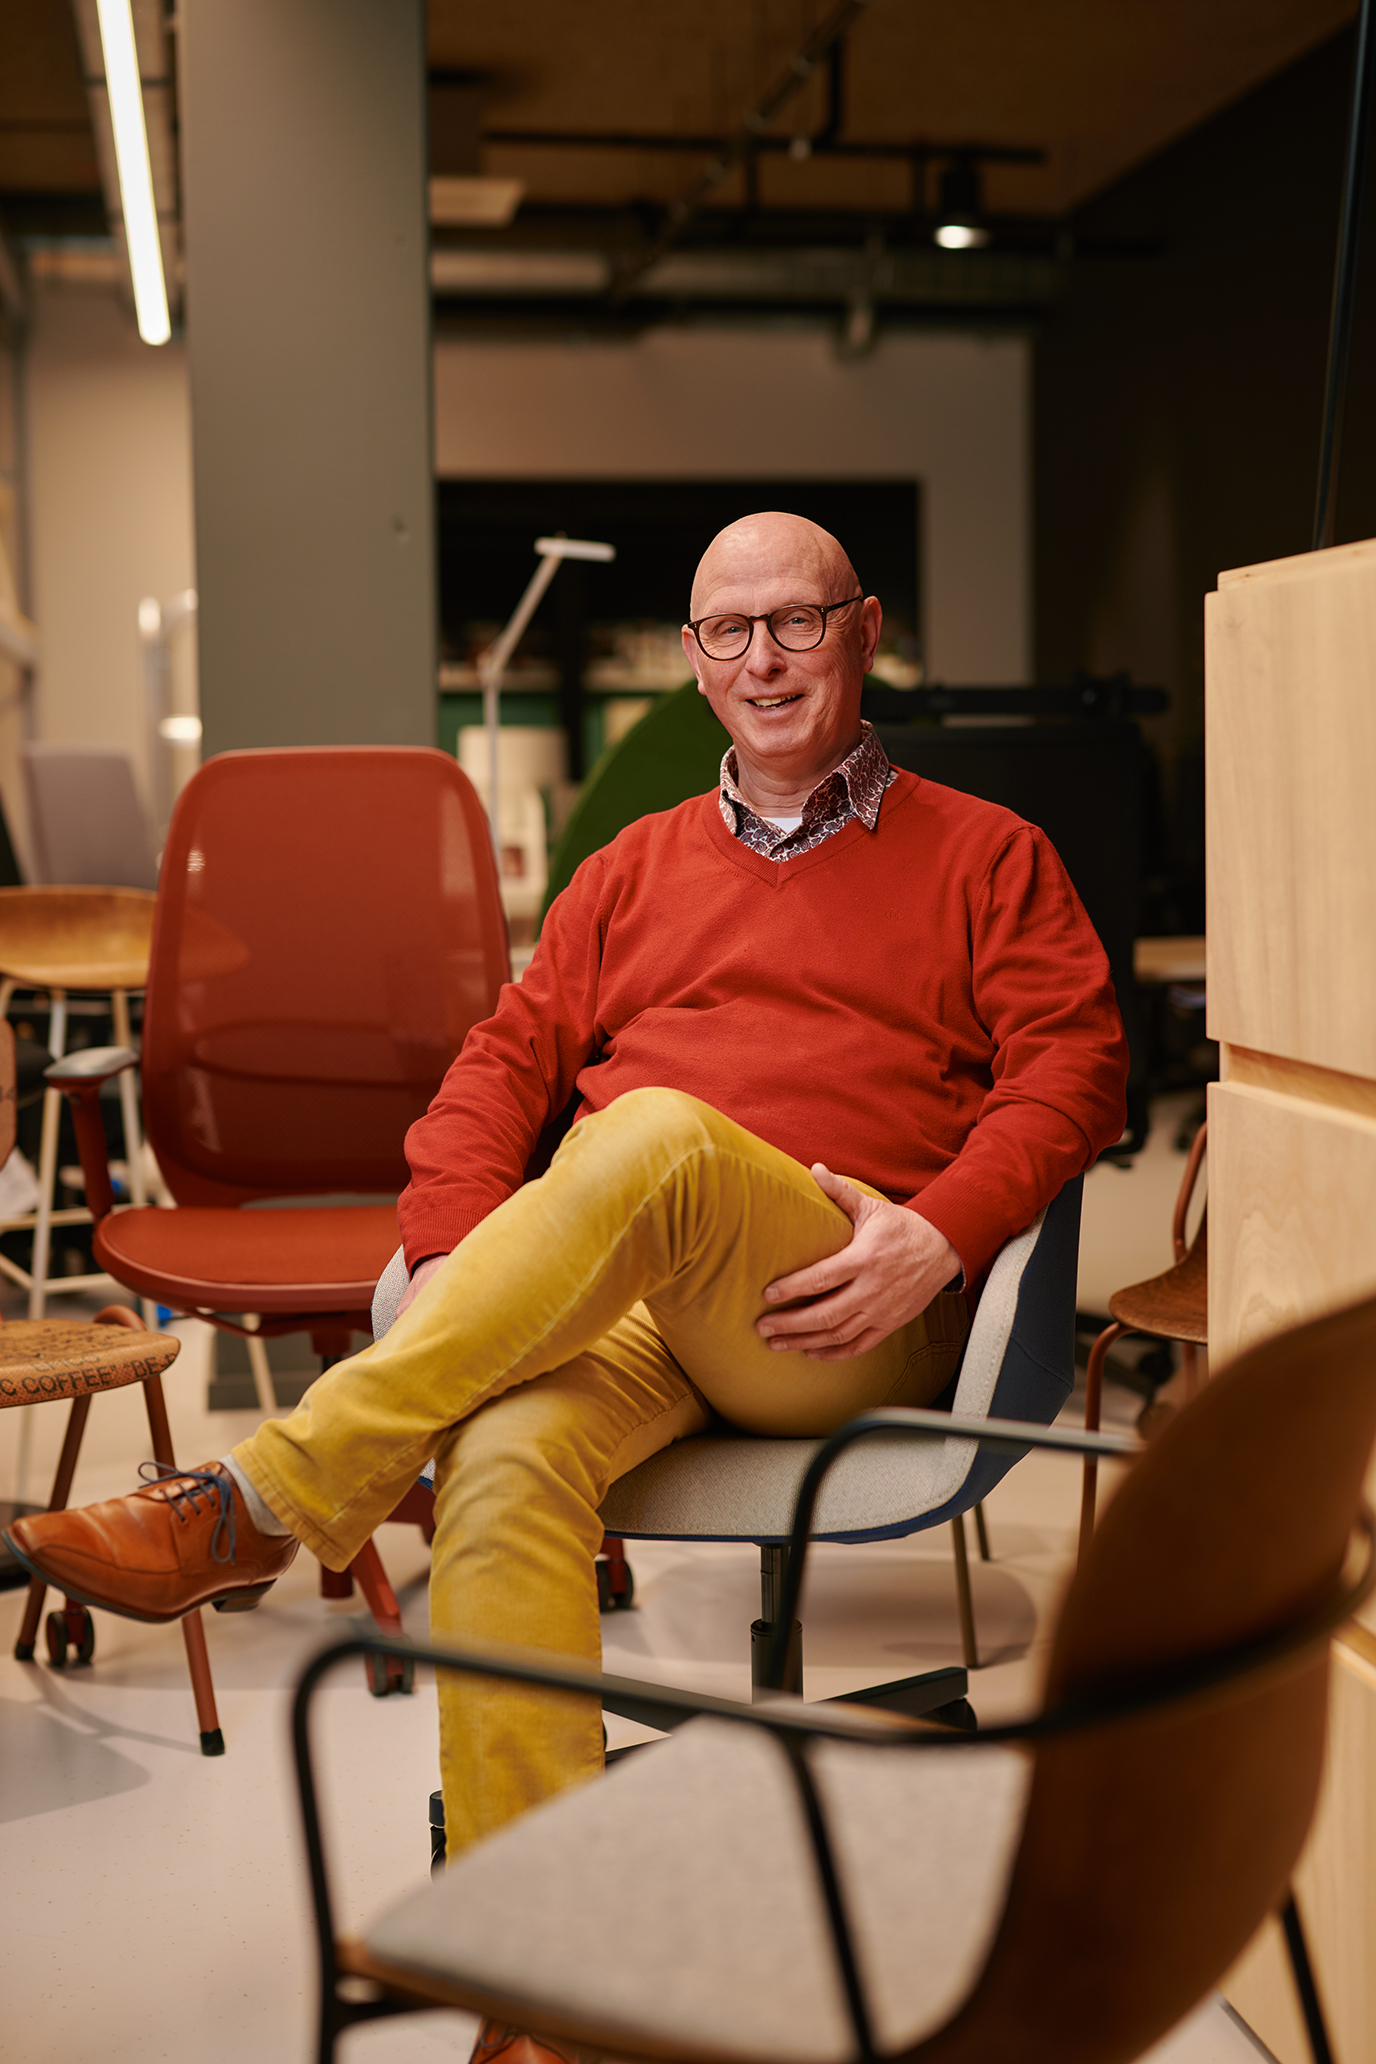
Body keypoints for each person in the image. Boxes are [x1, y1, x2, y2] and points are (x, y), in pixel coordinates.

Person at [6, 508, 1127, 1862]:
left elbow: (1077, 1073)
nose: (764, 660)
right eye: (730, 631)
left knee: (660, 1136)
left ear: (864, 632)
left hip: (845, 1306)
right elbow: (494, 1075)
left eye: (797, 621)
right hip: (643, 1319)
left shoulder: (990, 854)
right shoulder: (628, 870)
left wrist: (939, 1237)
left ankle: (266, 1501)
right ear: (693, 658)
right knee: (500, 1455)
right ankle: (526, 1915)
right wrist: (451, 1271)